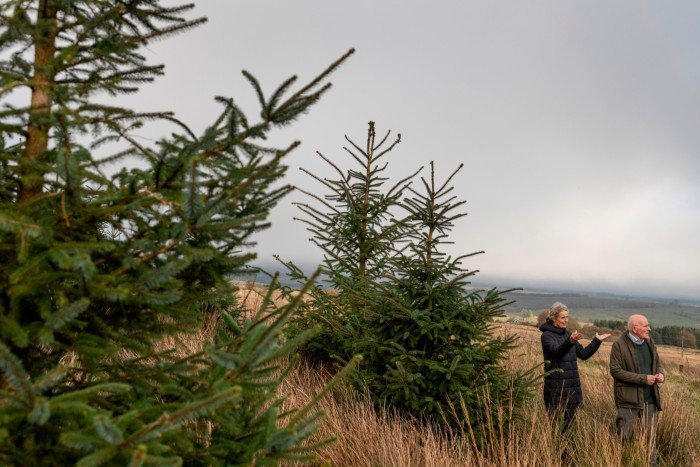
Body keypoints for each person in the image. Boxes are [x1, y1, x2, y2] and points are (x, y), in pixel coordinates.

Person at [540, 302, 609, 431]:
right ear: (554, 318)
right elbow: (557, 352)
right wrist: (570, 341)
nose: (566, 320)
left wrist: (597, 341)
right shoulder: (546, 336)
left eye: (567, 317)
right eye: (563, 317)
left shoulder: (568, 335)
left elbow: (583, 354)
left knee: (571, 430)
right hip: (556, 392)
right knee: (556, 430)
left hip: (572, 390)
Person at [610, 314, 664, 465]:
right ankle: (623, 463)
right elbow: (615, 371)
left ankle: (652, 464)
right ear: (635, 328)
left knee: (650, 441)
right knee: (624, 439)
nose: (649, 329)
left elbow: (658, 364)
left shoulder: (650, 343)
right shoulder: (618, 345)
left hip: (650, 400)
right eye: (646, 326)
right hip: (628, 401)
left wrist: (661, 375)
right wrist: (643, 379)